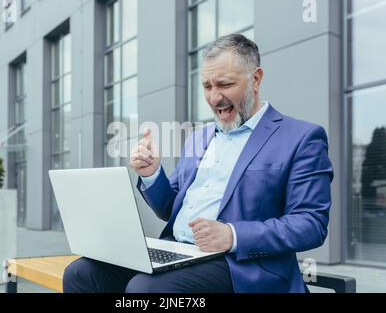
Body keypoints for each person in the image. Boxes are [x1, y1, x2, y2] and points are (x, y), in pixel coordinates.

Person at [63, 33, 333, 293]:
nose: (215, 98)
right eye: (207, 86)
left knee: (146, 289)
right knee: (81, 273)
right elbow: (171, 208)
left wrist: (233, 235)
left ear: (256, 79)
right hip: (178, 252)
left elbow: (311, 224)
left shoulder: (301, 137)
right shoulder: (199, 137)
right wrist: (152, 174)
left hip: (242, 267)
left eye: (225, 85)